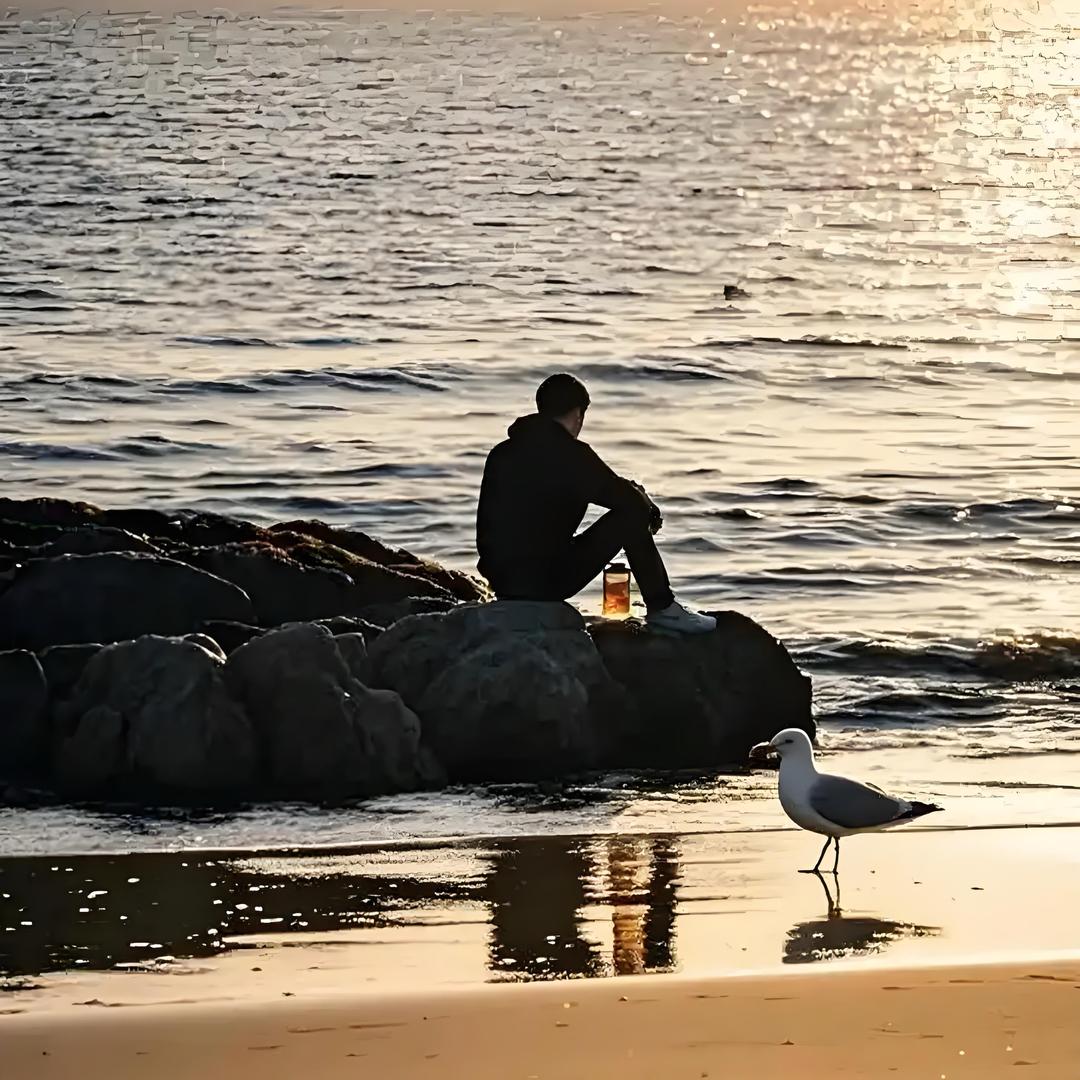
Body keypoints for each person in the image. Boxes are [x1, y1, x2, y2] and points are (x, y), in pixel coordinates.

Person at [476, 373, 716, 634]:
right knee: (630, 516)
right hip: (544, 584)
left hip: (502, 582)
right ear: (579, 415)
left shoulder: (502, 452)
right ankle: (663, 608)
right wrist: (644, 501)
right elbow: (629, 503)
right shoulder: (571, 454)